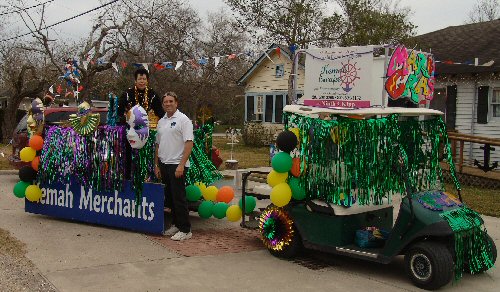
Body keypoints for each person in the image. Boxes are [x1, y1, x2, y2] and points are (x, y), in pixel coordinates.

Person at [154, 92, 194, 241]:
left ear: (176, 103)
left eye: (171, 101)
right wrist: (156, 165)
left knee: (179, 198)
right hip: (164, 164)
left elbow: (189, 143)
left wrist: (181, 165)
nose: (168, 104)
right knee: (170, 199)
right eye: (165, 102)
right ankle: (176, 224)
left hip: (177, 165)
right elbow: (158, 145)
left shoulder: (183, 120)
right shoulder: (161, 121)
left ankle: (185, 229)